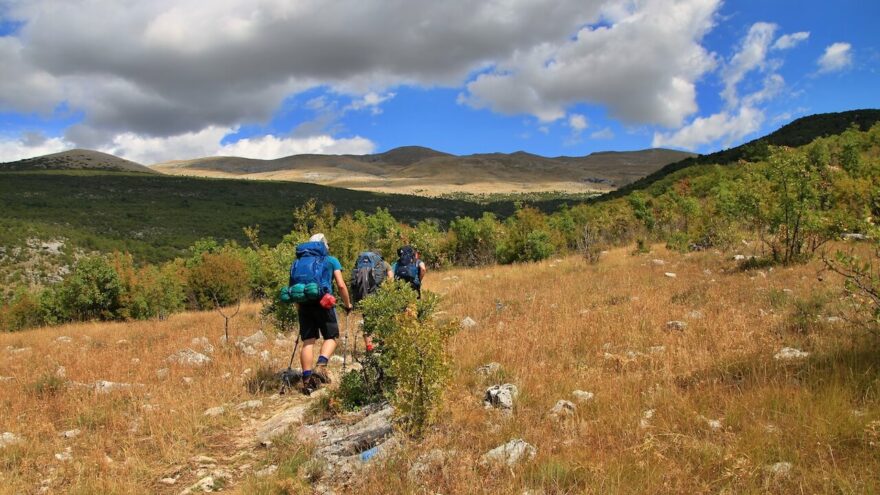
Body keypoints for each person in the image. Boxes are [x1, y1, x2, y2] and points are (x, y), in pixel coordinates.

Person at [292, 233, 353, 395]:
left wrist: (299, 305)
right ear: (324, 245)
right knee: (331, 337)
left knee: (308, 341)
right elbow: (340, 285)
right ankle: (321, 366)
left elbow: (294, 286)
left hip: (304, 303)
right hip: (324, 302)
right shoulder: (331, 260)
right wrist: (348, 304)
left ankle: (306, 380)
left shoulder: (298, 262)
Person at [349, 250, 393, 352]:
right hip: (380, 296)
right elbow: (391, 278)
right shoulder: (384, 264)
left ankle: (369, 347)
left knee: (368, 322)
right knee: (383, 320)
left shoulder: (360, 264)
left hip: (365, 297)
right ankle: (383, 345)